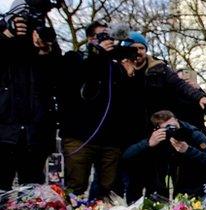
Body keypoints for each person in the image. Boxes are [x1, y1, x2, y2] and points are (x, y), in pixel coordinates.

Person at [58, 22, 143, 198]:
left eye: (109, 37)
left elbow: (131, 102)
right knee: (75, 187)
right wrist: (99, 56)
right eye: (102, 36)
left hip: (111, 138)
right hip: (80, 135)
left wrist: (130, 76)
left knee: (107, 190)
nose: (108, 41)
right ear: (90, 39)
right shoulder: (75, 58)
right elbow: (74, 85)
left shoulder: (117, 65)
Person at [0, 0, 61, 190]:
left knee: (32, 189)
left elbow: (58, 80)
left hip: (36, 130)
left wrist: (46, 51)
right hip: (5, 129)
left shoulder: (43, 40)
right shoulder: (3, 34)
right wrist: (8, 35)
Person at [121, 110, 206, 201]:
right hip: (162, 191)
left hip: (199, 188)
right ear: (158, 129)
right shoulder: (156, 137)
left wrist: (189, 150)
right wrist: (148, 143)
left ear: (176, 120)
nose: (172, 130)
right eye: (167, 128)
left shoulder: (193, 134)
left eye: (174, 126)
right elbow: (126, 157)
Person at [126, 32, 206, 133]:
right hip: (134, 127)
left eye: (141, 48)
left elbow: (179, 84)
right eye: (133, 49)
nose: (138, 52)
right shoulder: (120, 70)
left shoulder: (160, 69)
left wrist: (200, 96)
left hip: (158, 125)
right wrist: (128, 76)